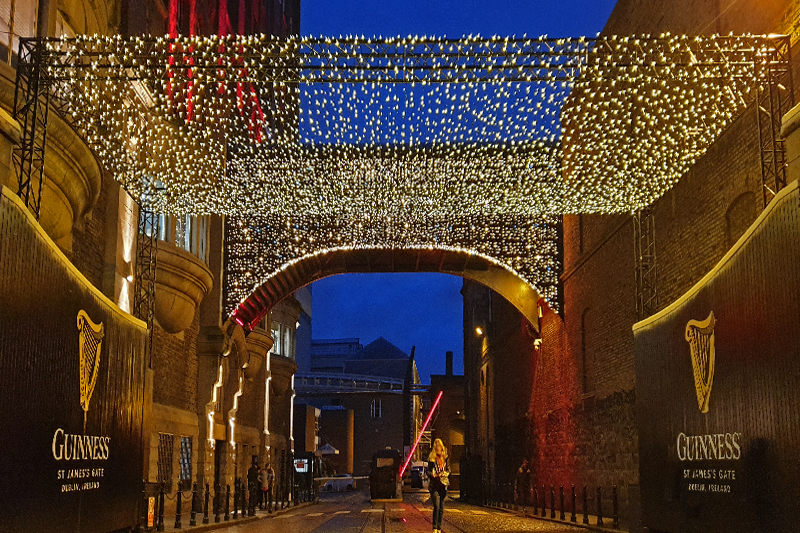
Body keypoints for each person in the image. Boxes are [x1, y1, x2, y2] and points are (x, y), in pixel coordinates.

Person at [427, 438, 450, 533]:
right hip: (435, 485)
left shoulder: (445, 459)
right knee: (436, 506)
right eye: (437, 447)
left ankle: (439, 527)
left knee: (441, 508)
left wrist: (446, 473)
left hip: (443, 485)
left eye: (440, 446)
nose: (439, 448)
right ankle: (435, 527)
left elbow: (449, 469)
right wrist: (432, 475)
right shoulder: (432, 460)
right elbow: (428, 471)